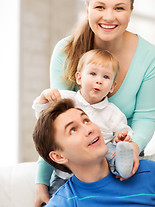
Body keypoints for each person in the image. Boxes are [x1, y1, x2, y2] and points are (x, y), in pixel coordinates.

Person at [34, 0, 155, 207]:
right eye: (99, 7)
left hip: (124, 162)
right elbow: (54, 122)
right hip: (77, 172)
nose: (108, 17)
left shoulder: (149, 56)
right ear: (87, 8)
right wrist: (41, 181)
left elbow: (146, 116)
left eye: (119, 8)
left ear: (131, 10)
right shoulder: (66, 51)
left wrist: (132, 147)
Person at [33, 49, 135, 182]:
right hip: (66, 170)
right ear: (79, 78)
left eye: (106, 77)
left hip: (99, 163)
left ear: (112, 87)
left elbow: (124, 133)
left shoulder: (114, 113)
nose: (99, 80)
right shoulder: (66, 98)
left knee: (111, 149)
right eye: (93, 74)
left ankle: (123, 167)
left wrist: (122, 138)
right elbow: (44, 118)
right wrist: (44, 97)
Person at [33, 98, 155, 207]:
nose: (89, 129)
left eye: (86, 121)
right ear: (59, 156)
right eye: (73, 130)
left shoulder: (148, 171)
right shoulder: (63, 203)